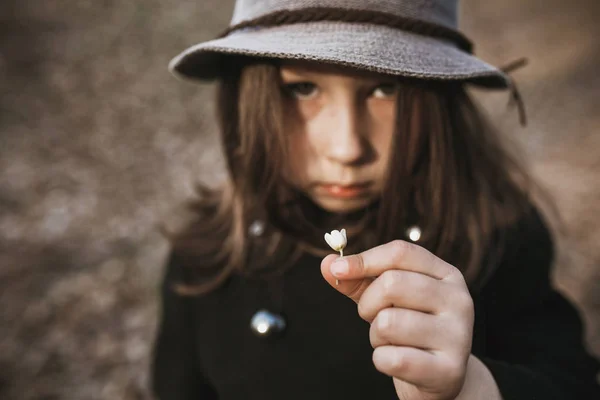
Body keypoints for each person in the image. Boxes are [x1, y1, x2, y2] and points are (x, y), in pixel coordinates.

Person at [151, 0, 600, 399]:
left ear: (440, 103)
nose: (347, 148)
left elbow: (569, 382)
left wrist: (472, 388)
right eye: (301, 89)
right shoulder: (206, 256)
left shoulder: (497, 235)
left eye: (386, 88)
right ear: (247, 101)